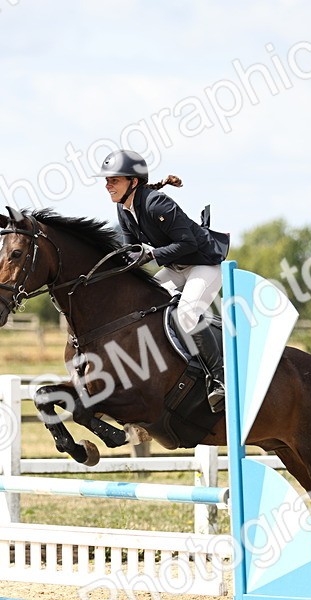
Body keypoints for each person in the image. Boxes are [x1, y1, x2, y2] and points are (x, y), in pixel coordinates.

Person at [95, 149, 230, 412]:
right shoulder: (124, 210)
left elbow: (187, 243)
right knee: (138, 309)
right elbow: (132, 251)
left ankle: (218, 379)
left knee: (188, 314)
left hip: (203, 265)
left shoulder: (158, 204)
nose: (107, 185)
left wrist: (152, 254)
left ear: (133, 182)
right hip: (175, 267)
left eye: (114, 180)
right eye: (107, 180)